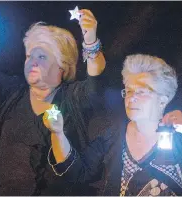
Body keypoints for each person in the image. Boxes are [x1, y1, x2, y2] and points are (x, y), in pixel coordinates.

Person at [0, 5, 108, 195]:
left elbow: (96, 79)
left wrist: (90, 38)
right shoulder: (12, 91)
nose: (32, 61)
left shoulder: (73, 97)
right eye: (29, 55)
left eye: (41, 56)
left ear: (62, 66)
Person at [45, 54, 182, 196]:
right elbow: (78, 172)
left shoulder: (177, 137)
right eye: (129, 90)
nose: (131, 98)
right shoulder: (113, 136)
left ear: (162, 100)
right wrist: (57, 133)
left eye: (141, 91)